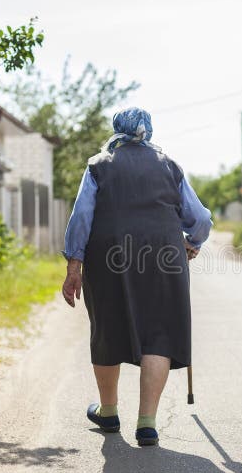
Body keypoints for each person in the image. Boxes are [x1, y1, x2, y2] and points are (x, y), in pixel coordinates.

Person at [61, 107, 212, 446]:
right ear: (150, 131)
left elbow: (82, 217)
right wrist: (193, 242)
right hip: (165, 254)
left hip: (108, 253)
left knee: (107, 328)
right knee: (159, 332)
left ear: (117, 129)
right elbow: (199, 218)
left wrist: (74, 265)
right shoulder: (169, 165)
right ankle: (147, 423)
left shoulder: (99, 164)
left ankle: (109, 412)